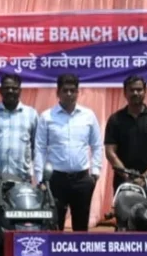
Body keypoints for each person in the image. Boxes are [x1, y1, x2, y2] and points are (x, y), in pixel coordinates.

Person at [34, 73, 103, 231]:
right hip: (56, 180)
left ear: (78, 92)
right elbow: (40, 148)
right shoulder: (47, 117)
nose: (69, 94)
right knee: (54, 225)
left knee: (81, 226)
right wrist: (40, 178)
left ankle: (80, 249)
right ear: (58, 93)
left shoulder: (88, 116)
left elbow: (97, 145)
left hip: (82, 180)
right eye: (65, 90)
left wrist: (95, 172)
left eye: (73, 90)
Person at [104, 75, 147, 195]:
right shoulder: (115, 119)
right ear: (125, 92)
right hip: (124, 183)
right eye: (132, 90)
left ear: (145, 91)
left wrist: (146, 175)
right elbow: (110, 152)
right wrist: (127, 175)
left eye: (139, 90)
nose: (135, 93)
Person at [0, 74, 38, 183]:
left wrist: (27, 161)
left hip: (22, 178)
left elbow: (35, 144)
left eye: (14, 88)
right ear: (0, 90)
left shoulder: (31, 114)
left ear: (20, 91)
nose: (10, 91)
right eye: (6, 88)